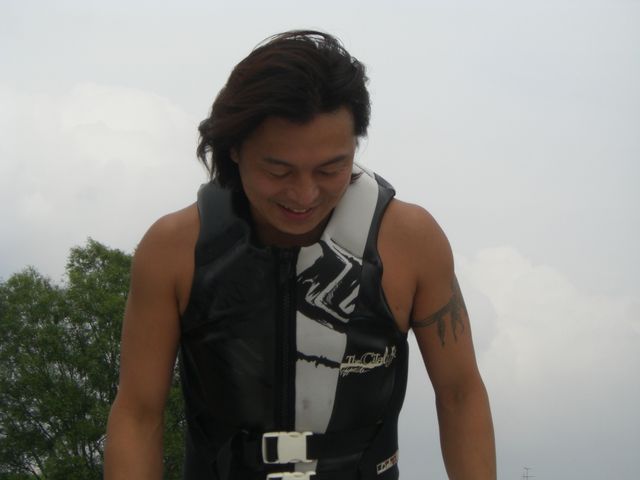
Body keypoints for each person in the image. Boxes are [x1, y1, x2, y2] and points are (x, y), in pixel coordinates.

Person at [104, 30, 495, 480]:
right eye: (278, 170)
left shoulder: (410, 241)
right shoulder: (173, 249)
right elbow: (138, 413)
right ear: (234, 149)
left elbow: (460, 394)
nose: (304, 194)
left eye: (330, 169)